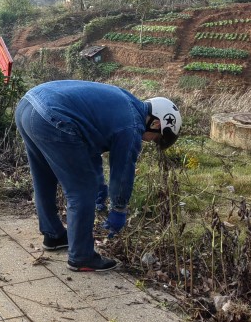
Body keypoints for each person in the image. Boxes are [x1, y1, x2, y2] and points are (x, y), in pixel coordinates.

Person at [14, 81, 181, 272]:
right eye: (158, 137)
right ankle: (81, 257)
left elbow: (87, 139)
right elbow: (123, 170)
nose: (153, 141)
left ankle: (53, 235)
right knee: (81, 192)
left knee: (44, 178)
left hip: (28, 106)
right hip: (50, 116)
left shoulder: (125, 102)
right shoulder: (132, 126)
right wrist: (119, 208)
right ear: (156, 123)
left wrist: (99, 182)